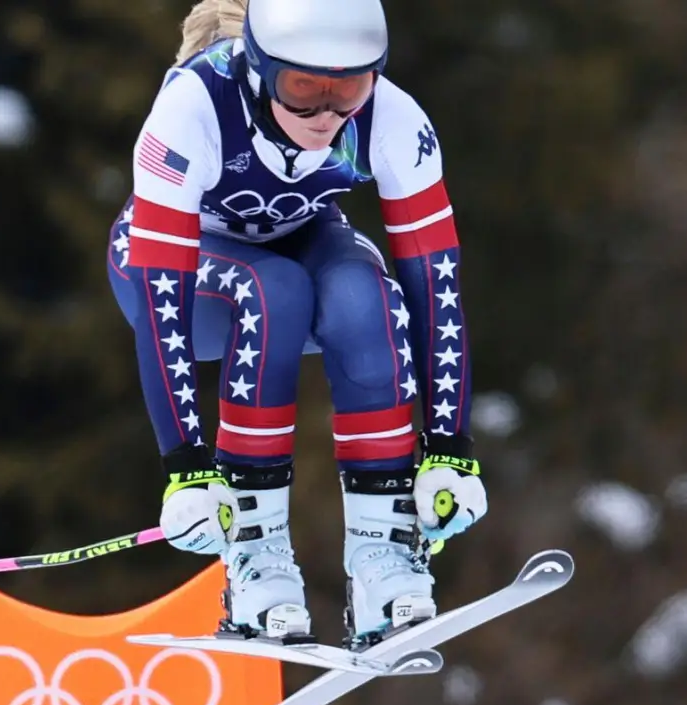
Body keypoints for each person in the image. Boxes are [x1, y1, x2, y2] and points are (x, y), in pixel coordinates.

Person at [106, 0, 487, 649]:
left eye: (348, 91)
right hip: (181, 277)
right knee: (272, 290)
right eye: (302, 92)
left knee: (366, 296)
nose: (326, 116)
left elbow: (435, 283)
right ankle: (256, 560)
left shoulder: (392, 117)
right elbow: (160, 289)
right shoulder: (192, 111)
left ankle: (382, 558)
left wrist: (451, 448)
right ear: (257, 70)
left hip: (301, 246)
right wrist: (188, 467)